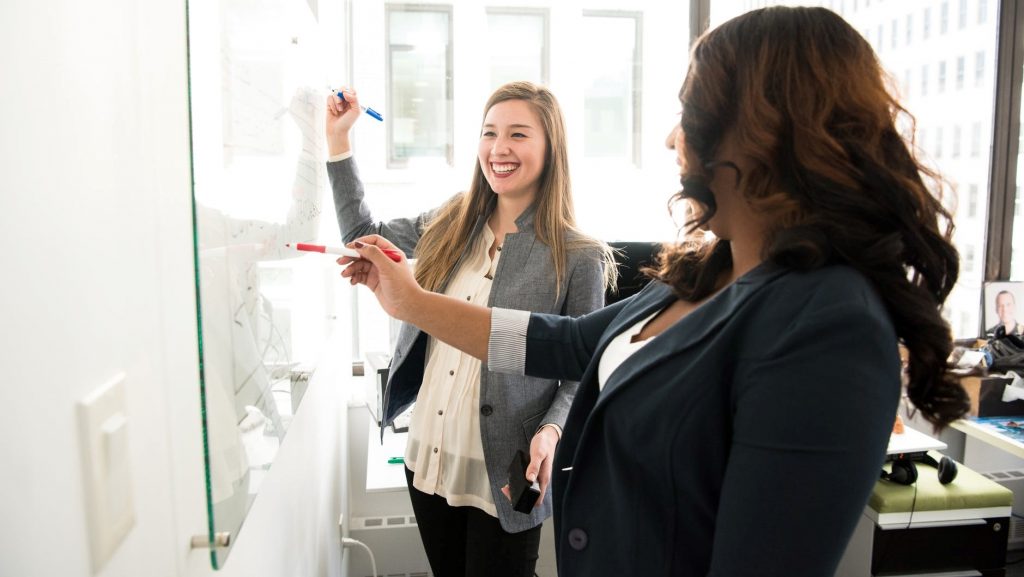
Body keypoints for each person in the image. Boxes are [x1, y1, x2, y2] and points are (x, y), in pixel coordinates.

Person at [337, 7, 971, 576]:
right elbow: (569, 342)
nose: (673, 139)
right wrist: (411, 302)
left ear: (761, 132)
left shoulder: (828, 324)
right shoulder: (705, 271)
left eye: (688, 114)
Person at [325, 81, 614, 577]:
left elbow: (582, 371)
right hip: (429, 455)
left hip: (508, 469)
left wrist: (552, 430)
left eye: (518, 134)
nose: (499, 148)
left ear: (551, 148)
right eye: (489, 133)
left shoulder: (579, 255)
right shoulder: (452, 219)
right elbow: (360, 237)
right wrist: (339, 141)